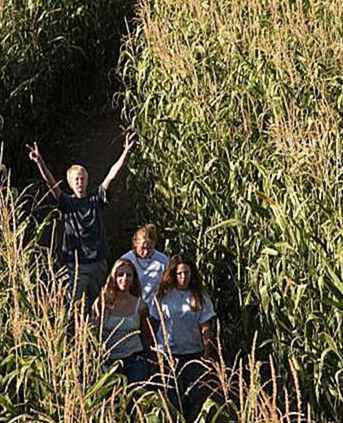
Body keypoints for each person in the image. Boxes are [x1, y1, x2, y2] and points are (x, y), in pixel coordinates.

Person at [27, 135, 135, 315]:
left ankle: (97, 338)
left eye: (82, 178)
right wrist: (39, 162)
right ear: (70, 182)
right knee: (73, 307)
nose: (80, 182)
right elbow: (51, 183)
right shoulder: (66, 203)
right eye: (76, 179)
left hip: (98, 263)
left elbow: (112, 174)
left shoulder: (96, 199)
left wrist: (125, 151)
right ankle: (75, 338)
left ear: (87, 180)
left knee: (99, 307)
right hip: (77, 266)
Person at [150, 254, 216, 421]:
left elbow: (206, 326)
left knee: (194, 394)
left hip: (193, 353)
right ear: (173, 274)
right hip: (168, 353)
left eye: (186, 273)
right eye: (179, 273)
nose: (183, 277)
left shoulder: (199, 296)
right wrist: (154, 351)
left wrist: (207, 352)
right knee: (171, 396)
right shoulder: (163, 295)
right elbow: (154, 323)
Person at [92, 258, 152, 383]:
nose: (124, 279)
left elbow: (147, 335)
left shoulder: (140, 305)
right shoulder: (103, 303)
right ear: (114, 277)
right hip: (109, 359)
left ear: (133, 279)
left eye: (128, 275)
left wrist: (152, 359)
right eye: (120, 274)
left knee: (134, 396)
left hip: (134, 358)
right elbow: (93, 332)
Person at [121, 224, 168, 311]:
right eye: (143, 248)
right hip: (131, 307)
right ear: (135, 243)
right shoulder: (127, 259)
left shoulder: (163, 261)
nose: (146, 252)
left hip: (154, 308)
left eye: (149, 248)